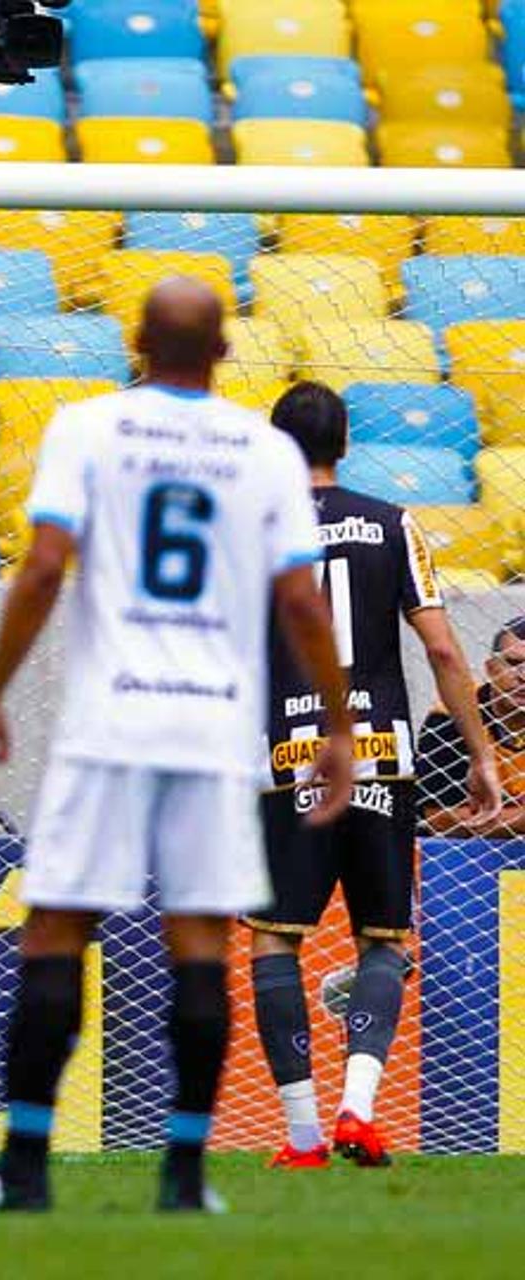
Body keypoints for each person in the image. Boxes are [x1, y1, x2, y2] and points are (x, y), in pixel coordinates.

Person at [0, 279, 354, 1215]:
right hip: (215, 726)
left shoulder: (88, 427)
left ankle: (24, 1170)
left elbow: (42, 566)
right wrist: (336, 723)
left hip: (109, 721)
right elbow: (300, 601)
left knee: (57, 932)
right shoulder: (264, 451)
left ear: (135, 343)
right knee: (199, 941)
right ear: (227, 353)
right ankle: (186, 1178)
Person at [248, 383, 501, 1170]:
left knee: (272, 941)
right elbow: (446, 651)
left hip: (291, 755)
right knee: (383, 939)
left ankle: (301, 1137)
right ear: (347, 444)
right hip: (384, 757)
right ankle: (360, 1110)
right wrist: (482, 751)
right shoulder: (396, 524)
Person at [417, 616, 525, 837]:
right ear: (491, 669)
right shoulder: (451, 716)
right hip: (462, 858)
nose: (523, 676)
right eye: (513, 663)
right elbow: (438, 817)